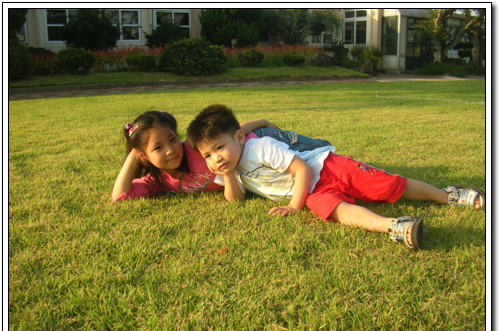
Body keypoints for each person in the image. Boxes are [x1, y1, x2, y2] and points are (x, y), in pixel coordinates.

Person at [186, 104, 485, 250]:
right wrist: (231, 175)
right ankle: (395, 227)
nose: (215, 159)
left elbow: (301, 170)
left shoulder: (259, 147)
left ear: (239, 137)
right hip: (314, 192)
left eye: (220, 148)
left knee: (388, 185)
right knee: (334, 211)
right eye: (208, 155)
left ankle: (448, 195)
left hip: (326, 167)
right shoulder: (230, 167)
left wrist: (292, 206)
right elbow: (234, 200)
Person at [111, 110, 331, 202]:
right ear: (144, 156)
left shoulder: (195, 149)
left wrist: (262, 123)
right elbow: (119, 197)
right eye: (157, 148)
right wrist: (132, 158)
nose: (170, 150)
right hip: (258, 166)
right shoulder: (159, 181)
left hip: (260, 141)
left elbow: (229, 133)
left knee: (320, 151)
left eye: (172, 139)